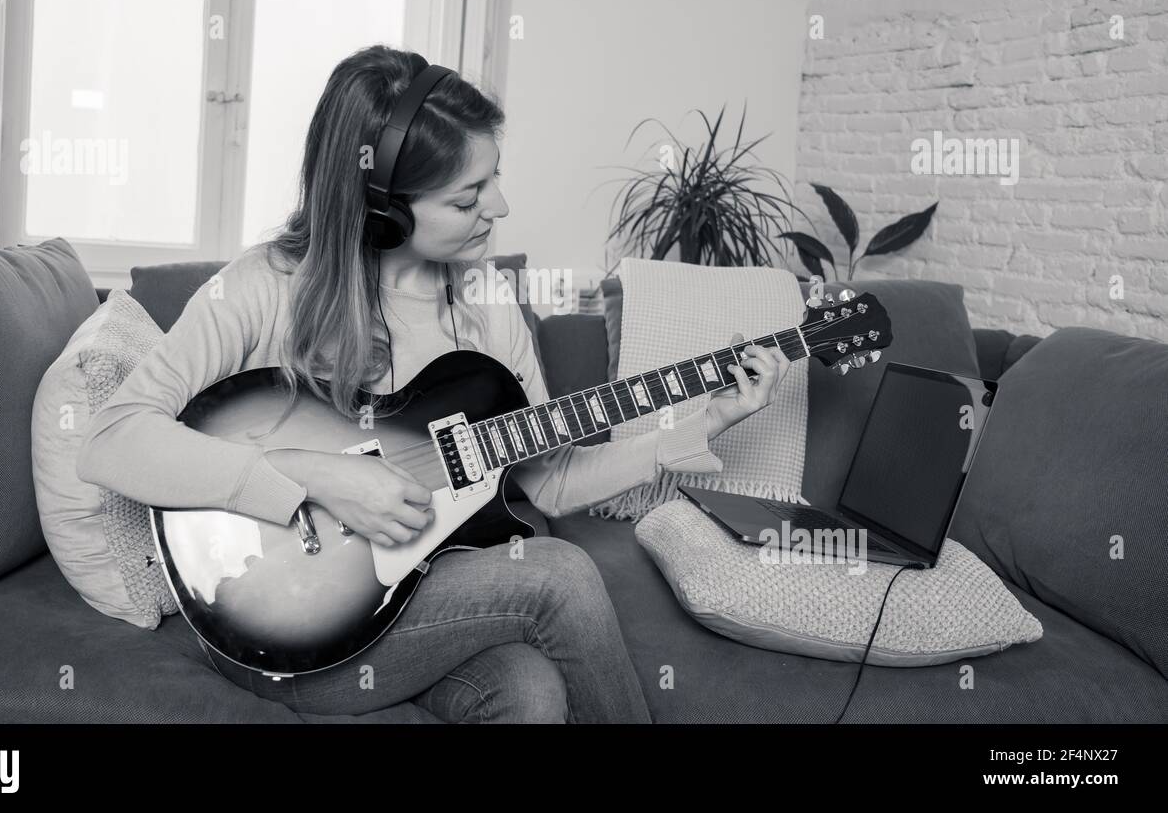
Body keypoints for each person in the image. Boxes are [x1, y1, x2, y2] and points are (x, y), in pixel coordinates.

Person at [75, 44, 790, 723]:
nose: (500, 208)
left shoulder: (485, 302)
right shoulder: (264, 288)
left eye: (495, 179)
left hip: (416, 604)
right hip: (282, 629)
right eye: (467, 196)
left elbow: (548, 482)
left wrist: (701, 423)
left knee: (532, 694)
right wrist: (311, 476)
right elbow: (109, 443)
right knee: (560, 573)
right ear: (383, 207)